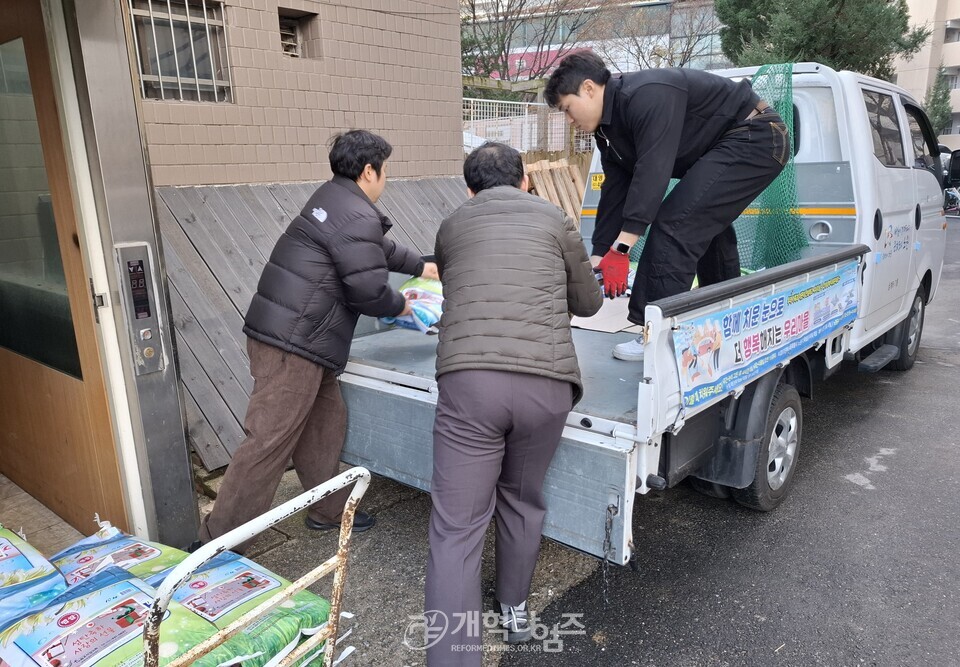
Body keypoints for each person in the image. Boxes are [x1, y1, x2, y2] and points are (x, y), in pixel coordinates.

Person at [198, 130, 438, 552]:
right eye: (385, 171)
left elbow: (377, 250)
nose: (386, 179)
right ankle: (215, 545)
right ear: (369, 170)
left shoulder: (334, 200)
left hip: (305, 341)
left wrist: (423, 265)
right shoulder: (355, 214)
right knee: (269, 440)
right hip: (294, 345)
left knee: (326, 423)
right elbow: (369, 292)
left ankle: (328, 510)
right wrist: (409, 308)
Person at [423, 142, 603, 665]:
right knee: (522, 497)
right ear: (525, 179)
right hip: (546, 385)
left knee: (457, 525)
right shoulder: (554, 218)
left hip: (470, 383)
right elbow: (588, 302)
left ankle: (454, 657)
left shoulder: (453, 225)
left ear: (469, 187)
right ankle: (515, 609)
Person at [545, 51, 789, 361]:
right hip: (731, 142)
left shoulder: (646, 96)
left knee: (675, 224)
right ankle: (726, 321)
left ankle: (655, 336)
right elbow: (616, 190)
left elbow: (653, 172)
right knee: (704, 229)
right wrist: (599, 254)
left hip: (757, 135)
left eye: (568, 108)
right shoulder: (608, 130)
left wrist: (622, 249)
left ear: (589, 88)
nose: (570, 121)